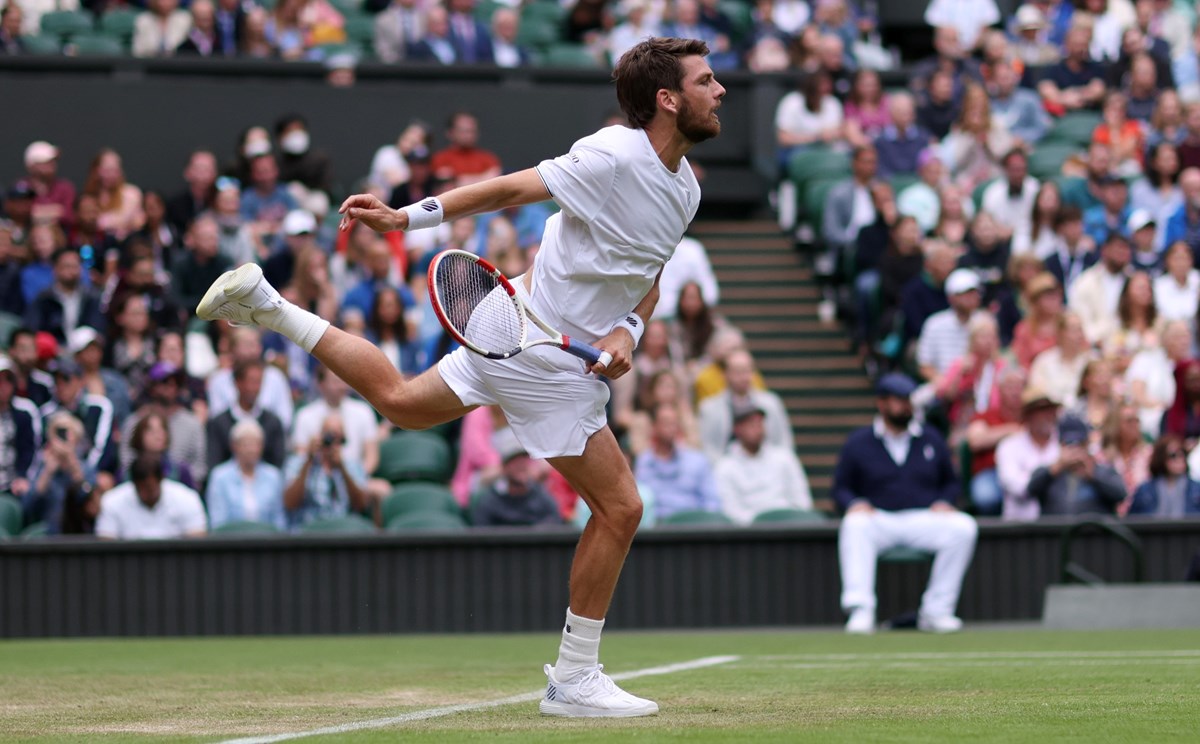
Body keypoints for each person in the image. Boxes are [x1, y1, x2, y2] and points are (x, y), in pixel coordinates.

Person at [198, 37, 722, 718]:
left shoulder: (685, 189)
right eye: (707, 81)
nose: (721, 92)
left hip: (512, 322)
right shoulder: (613, 153)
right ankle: (574, 679)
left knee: (404, 404)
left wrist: (630, 330)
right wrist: (403, 218)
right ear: (668, 99)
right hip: (541, 356)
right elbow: (509, 189)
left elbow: (645, 282)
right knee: (620, 508)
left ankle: (268, 306)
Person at [832, 373, 977, 635]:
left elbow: (952, 482)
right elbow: (840, 488)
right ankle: (861, 610)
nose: (906, 406)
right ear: (882, 403)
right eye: (899, 401)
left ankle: (937, 611)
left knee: (963, 527)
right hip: (879, 520)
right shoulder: (858, 443)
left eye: (908, 400)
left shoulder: (931, 438)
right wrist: (853, 503)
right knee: (854, 524)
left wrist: (945, 501)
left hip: (923, 518)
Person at [714, 401, 812, 524]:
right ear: (737, 429)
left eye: (760, 422)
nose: (757, 428)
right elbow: (730, 510)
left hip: (788, 530)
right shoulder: (725, 467)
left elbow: (802, 501)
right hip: (747, 536)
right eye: (750, 424)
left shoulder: (785, 458)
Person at [282, 411, 370, 528]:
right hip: (309, 530)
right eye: (329, 436)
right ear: (320, 436)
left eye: (339, 439)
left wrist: (342, 468)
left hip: (342, 530)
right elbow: (290, 503)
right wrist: (308, 461)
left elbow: (361, 505)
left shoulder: (352, 465)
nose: (333, 444)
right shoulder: (298, 462)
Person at [1027, 414, 1127, 517]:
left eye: (1080, 444)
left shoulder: (1103, 471)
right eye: (1069, 444)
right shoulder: (1050, 472)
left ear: (1087, 444)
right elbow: (1030, 490)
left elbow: (1120, 494)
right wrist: (1054, 469)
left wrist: (1093, 475)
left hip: (1094, 532)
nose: (1075, 450)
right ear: (1061, 445)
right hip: (1055, 532)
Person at [95, 454, 208, 539]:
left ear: (161, 480)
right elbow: (106, 542)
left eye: (149, 488)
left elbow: (197, 542)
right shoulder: (111, 501)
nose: (145, 493)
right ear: (133, 483)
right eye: (140, 488)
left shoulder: (188, 499)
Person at [22, 410, 97, 535]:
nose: (62, 438)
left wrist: (74, 467)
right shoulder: (42, 468)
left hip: (79, 536)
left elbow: (91, 507)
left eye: (67, 432)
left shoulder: (86, 468)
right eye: (58, 432)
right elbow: (27, 509)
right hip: (48, 536)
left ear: (77, 438)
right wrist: (47, 473)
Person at [994, 386, 1063, 520]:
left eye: (1050, 410)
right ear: (1027, 415)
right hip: (1021, 528)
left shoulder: (1065, 443)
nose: (1047, 415)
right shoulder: (1009, 447)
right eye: (1040, 411)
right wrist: (1053, 470)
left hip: (1060, 526)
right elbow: (1019, 488)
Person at [471, 427, 564, 527]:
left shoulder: (542, 497)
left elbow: (555, 526)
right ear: (504, 467)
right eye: (514, 459)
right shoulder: (489, 502)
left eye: (524, 457)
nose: (521, 465)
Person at [205, 359, 287, 472]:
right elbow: (214, 463)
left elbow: (278, 464)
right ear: (237, 383)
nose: (255, 388)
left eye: (259, 382)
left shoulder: (273, 423)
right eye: (251, 381)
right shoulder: (218, 423)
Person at [205, 418, 287, 531]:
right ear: (234, 446)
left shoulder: (273, 476)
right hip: (230, 544)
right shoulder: (219, 477)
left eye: (255, 444)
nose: (250, 450)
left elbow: (279, 520)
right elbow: (217, 522)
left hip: (268, 543)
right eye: (245, 444)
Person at [1129, 436, 1200, 517]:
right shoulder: (1144, 491)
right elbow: (1131, 521)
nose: (1180, 458)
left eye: (1183, 453)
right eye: (1173, 455)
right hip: (1153, 529)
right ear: (1162, 457)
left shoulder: (1197, 490)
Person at [0, 356, 38, 502]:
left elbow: (31, 450)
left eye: (8, 380)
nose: (3, 385)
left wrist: (23, 477)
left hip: (14, 486)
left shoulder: (25, 411)